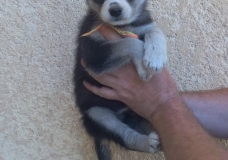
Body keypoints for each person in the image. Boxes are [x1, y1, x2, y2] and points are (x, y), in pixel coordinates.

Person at [81, 25, 228, 160]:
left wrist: (161, 102)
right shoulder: (93, 26)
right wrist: (153, 99)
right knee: (96, 116)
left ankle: (134, 133)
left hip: (122, 104)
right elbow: (94, 64)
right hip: (101, 106)